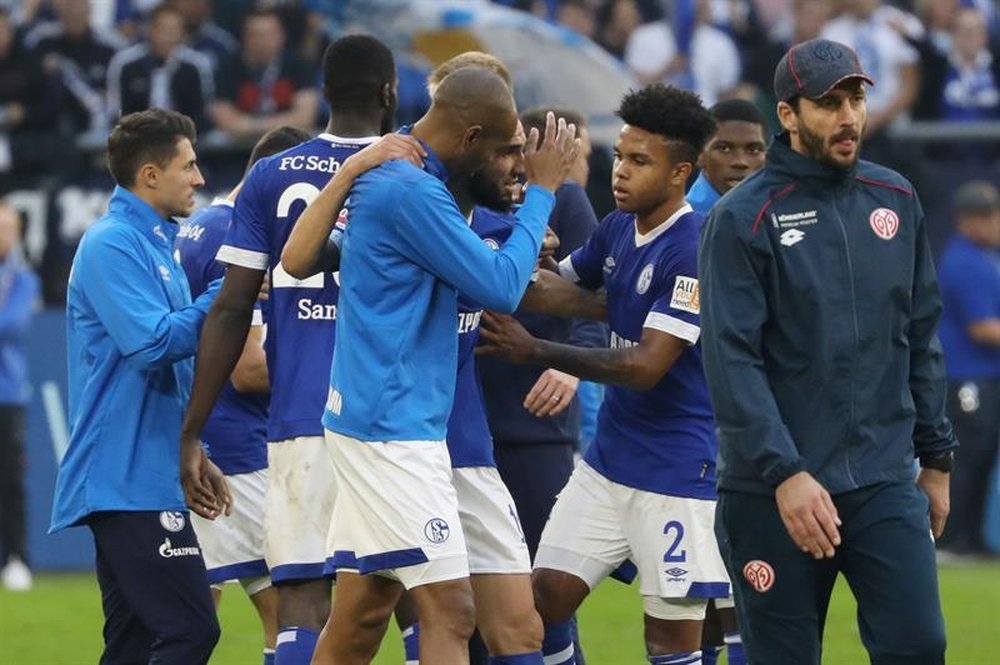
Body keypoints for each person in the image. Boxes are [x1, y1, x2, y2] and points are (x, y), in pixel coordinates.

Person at [282, 66, 577, 665]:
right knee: (451, 611)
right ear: (471, 141)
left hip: (416, 425)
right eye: (508, 151)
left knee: (366, 613)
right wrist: (544, 192)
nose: (519, 164)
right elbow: (499, 284)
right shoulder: (408, 190)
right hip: (391, 428)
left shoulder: (425, 184)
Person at [698, 38, 956, 664]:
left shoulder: (895, 199)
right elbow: (732, 362)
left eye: (856, 99)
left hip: (881, 481)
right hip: (772, 493)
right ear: (788, 115)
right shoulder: (742, 219)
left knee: (920, 645)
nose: (848, 117)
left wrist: (937, 457)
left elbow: (920, 333)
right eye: (827, 103)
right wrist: (785, 474)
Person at [479, 84, 728, 665]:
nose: (620, 171)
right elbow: (556, 290)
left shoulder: (690, 249)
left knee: (670, 641)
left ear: (680, 174)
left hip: (676, 473)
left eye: (640, 161)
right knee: (539, 607)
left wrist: (536, 350)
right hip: (608, 463)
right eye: (619, 155)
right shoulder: (619, 227)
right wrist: (508, 253)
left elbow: (644, 366)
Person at [179, 35, 399, 665]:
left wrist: (191, 432)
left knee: (299, 594)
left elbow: (226, 312)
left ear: (323, 95)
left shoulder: (270, 176)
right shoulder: (414, 167)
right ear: (389, 92)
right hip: (395, 421)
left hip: (300, 419)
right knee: (429, 596)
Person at [49, 108, 228, 665]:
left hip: (147, 472)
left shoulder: (156, 246)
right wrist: (223, 299)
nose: (199, 178)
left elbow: (168, 372)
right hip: (123, 477)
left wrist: (194, 448)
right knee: (190, 630)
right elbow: (152, 345)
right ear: (150, 175)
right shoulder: (111, 244)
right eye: (189, 166)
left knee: (134, 643)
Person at [174, 126, 310, 665]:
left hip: (202, 439)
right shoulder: (243, 237)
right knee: (290, 610)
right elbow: (250, 369)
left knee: (195, 610)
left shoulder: (199, 227)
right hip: (238, 453)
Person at [936, 180, 1000, 559]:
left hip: (986, 375)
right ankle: (951, 539)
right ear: (967, 220)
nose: (994, 224)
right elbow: (982, 327)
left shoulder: (985, 258)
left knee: (984, 453)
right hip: (967, 376)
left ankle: (972, 538)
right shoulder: (964, 260)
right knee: (967, 455)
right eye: (987, 217)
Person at [0, 201, 39, 593]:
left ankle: (17, 560)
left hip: (6, 393)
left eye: (9, 229)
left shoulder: (22, 279)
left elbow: (11, 324)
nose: (5, 236)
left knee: (10, 481)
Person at [210, 7, 318, 139]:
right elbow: (225, 120)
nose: (263, 41)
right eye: (255, 34)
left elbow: (305, 117)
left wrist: (248, 125)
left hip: (289, 143)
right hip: (237, 148)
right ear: (244, 37)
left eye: (269, 34)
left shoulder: (299, 65)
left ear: (282, 36)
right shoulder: (226, 67)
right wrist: (282, 123)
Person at [106, 3, 215, 132]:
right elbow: (117, 112)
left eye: (173, 31)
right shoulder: (125, 63)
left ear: (183, 34)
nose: (167, 37)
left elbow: (202, 113)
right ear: (149, 29)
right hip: (136, 140)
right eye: (162, 30)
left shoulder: (195, 65)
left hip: (184, 138)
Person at [686, 99, 768, 215]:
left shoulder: (784, 216)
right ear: (699, 155)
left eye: (753, 150)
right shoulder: (679, 222)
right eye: (724, 149)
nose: (740, 162)